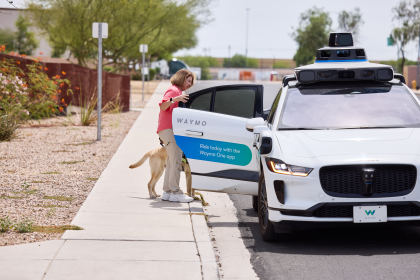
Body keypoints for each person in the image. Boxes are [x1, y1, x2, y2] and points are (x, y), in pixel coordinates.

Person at [157, 69, 194, 203]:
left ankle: (167, 191)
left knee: (171, 161)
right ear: (181, 78)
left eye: (191, 82)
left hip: (166, 129)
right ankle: (176, 192)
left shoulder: (177, 91)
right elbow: (162, 106)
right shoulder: (174, 91)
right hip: (169, 130)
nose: (189, 84)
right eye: (188, 80)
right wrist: (175, 99)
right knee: (176, 160)